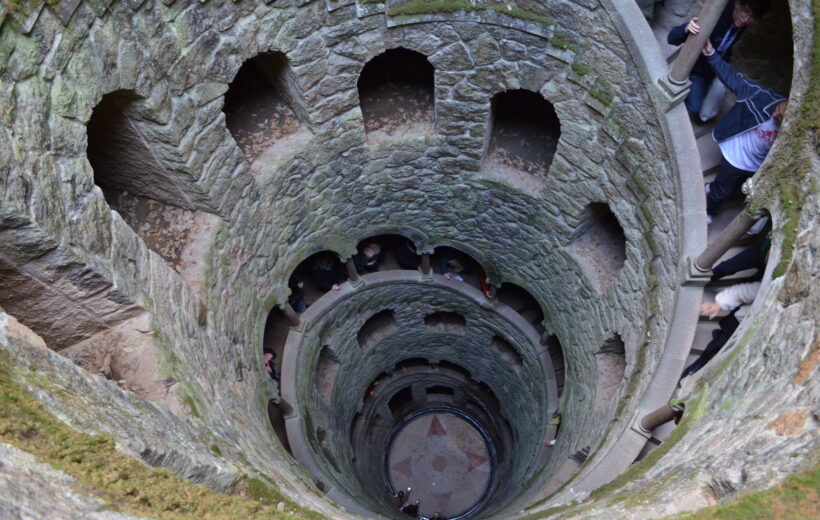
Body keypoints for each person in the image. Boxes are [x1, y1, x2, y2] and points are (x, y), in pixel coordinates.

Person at [701, 40, 787, 221]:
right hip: (736, 156)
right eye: (779, 110)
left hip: (757, 164)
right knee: (722, 191)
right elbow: (732, 79)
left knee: (731, 187)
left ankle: (710, 188)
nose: (776, 115)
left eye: (782, 117)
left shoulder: (792, 134)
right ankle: (706, 211)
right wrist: (711, 53)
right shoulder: (761, 98)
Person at [667, 0, 769, 121]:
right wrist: (686, 29)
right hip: (696, 70)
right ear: (737, 4)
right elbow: (671, 38)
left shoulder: (740, 26)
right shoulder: (716, 17)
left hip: (711, 71)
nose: (746, 19)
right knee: (694, 106)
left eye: (752, 17)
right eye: (746, 11)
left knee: (714, 96)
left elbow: (726, 48)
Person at [681, 281, 761, 378]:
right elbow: (746, 291)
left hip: (745, 325)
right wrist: (719, 304)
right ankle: (695, 368)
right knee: (715, 347)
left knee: (723, 348)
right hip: (739, 322)